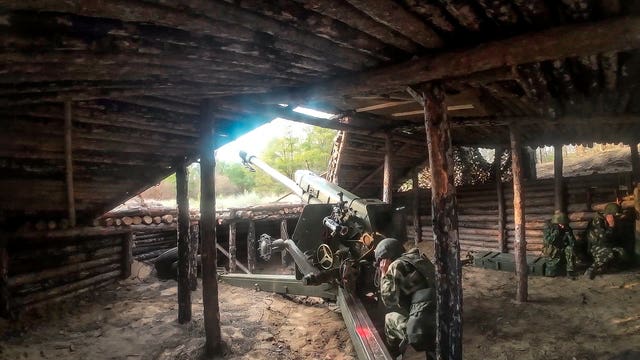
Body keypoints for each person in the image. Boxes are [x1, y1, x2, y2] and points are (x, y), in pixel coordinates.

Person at [374, 238, 436, 359]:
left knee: (389, 318)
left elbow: (388, 301)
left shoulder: (395, 266)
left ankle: (392, 354)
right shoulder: (419, 259)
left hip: (424, 332)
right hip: (441, 319)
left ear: (385, 258)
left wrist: (384, 274)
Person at [584, 203, 629, 279]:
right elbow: (603, 239)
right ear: (609, 215)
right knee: (609, 253)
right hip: (595, 247)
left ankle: (607, 267)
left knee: (621, 251)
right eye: (614, 216)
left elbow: (613, 239)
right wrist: (611, 226)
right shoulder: (598, 221)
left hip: (605, 246)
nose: (616, 218)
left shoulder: (609, 221)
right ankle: (591, 269)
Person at [542, 212, 577, 277]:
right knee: (551, 274)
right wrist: (556, 232)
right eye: (561, 224)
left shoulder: (567, 228)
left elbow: (573, 243)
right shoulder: (548, 227)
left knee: (570, 249)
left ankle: (570, 271)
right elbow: (548, 241)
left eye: (564, 224)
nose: (563, 226)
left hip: (562, 249)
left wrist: (569, 234)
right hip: (553, 251)